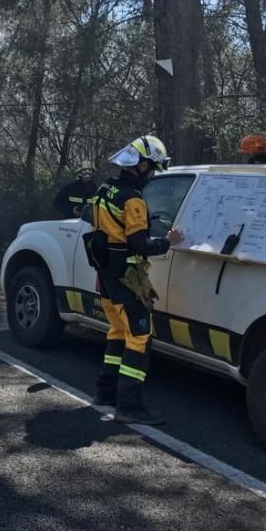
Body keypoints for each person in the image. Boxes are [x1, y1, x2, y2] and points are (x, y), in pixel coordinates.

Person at [90, 135, 183, 425]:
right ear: (141, 165)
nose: (153, 175)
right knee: (139, 336)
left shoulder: (105, 189)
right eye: (152, 168)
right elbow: (141, 244)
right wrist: (168, 241)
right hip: (128, 278)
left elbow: (100, 229)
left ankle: (105, 392)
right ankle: (129, 407)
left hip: (106, 273)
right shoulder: (133, 199)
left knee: (118, 331)